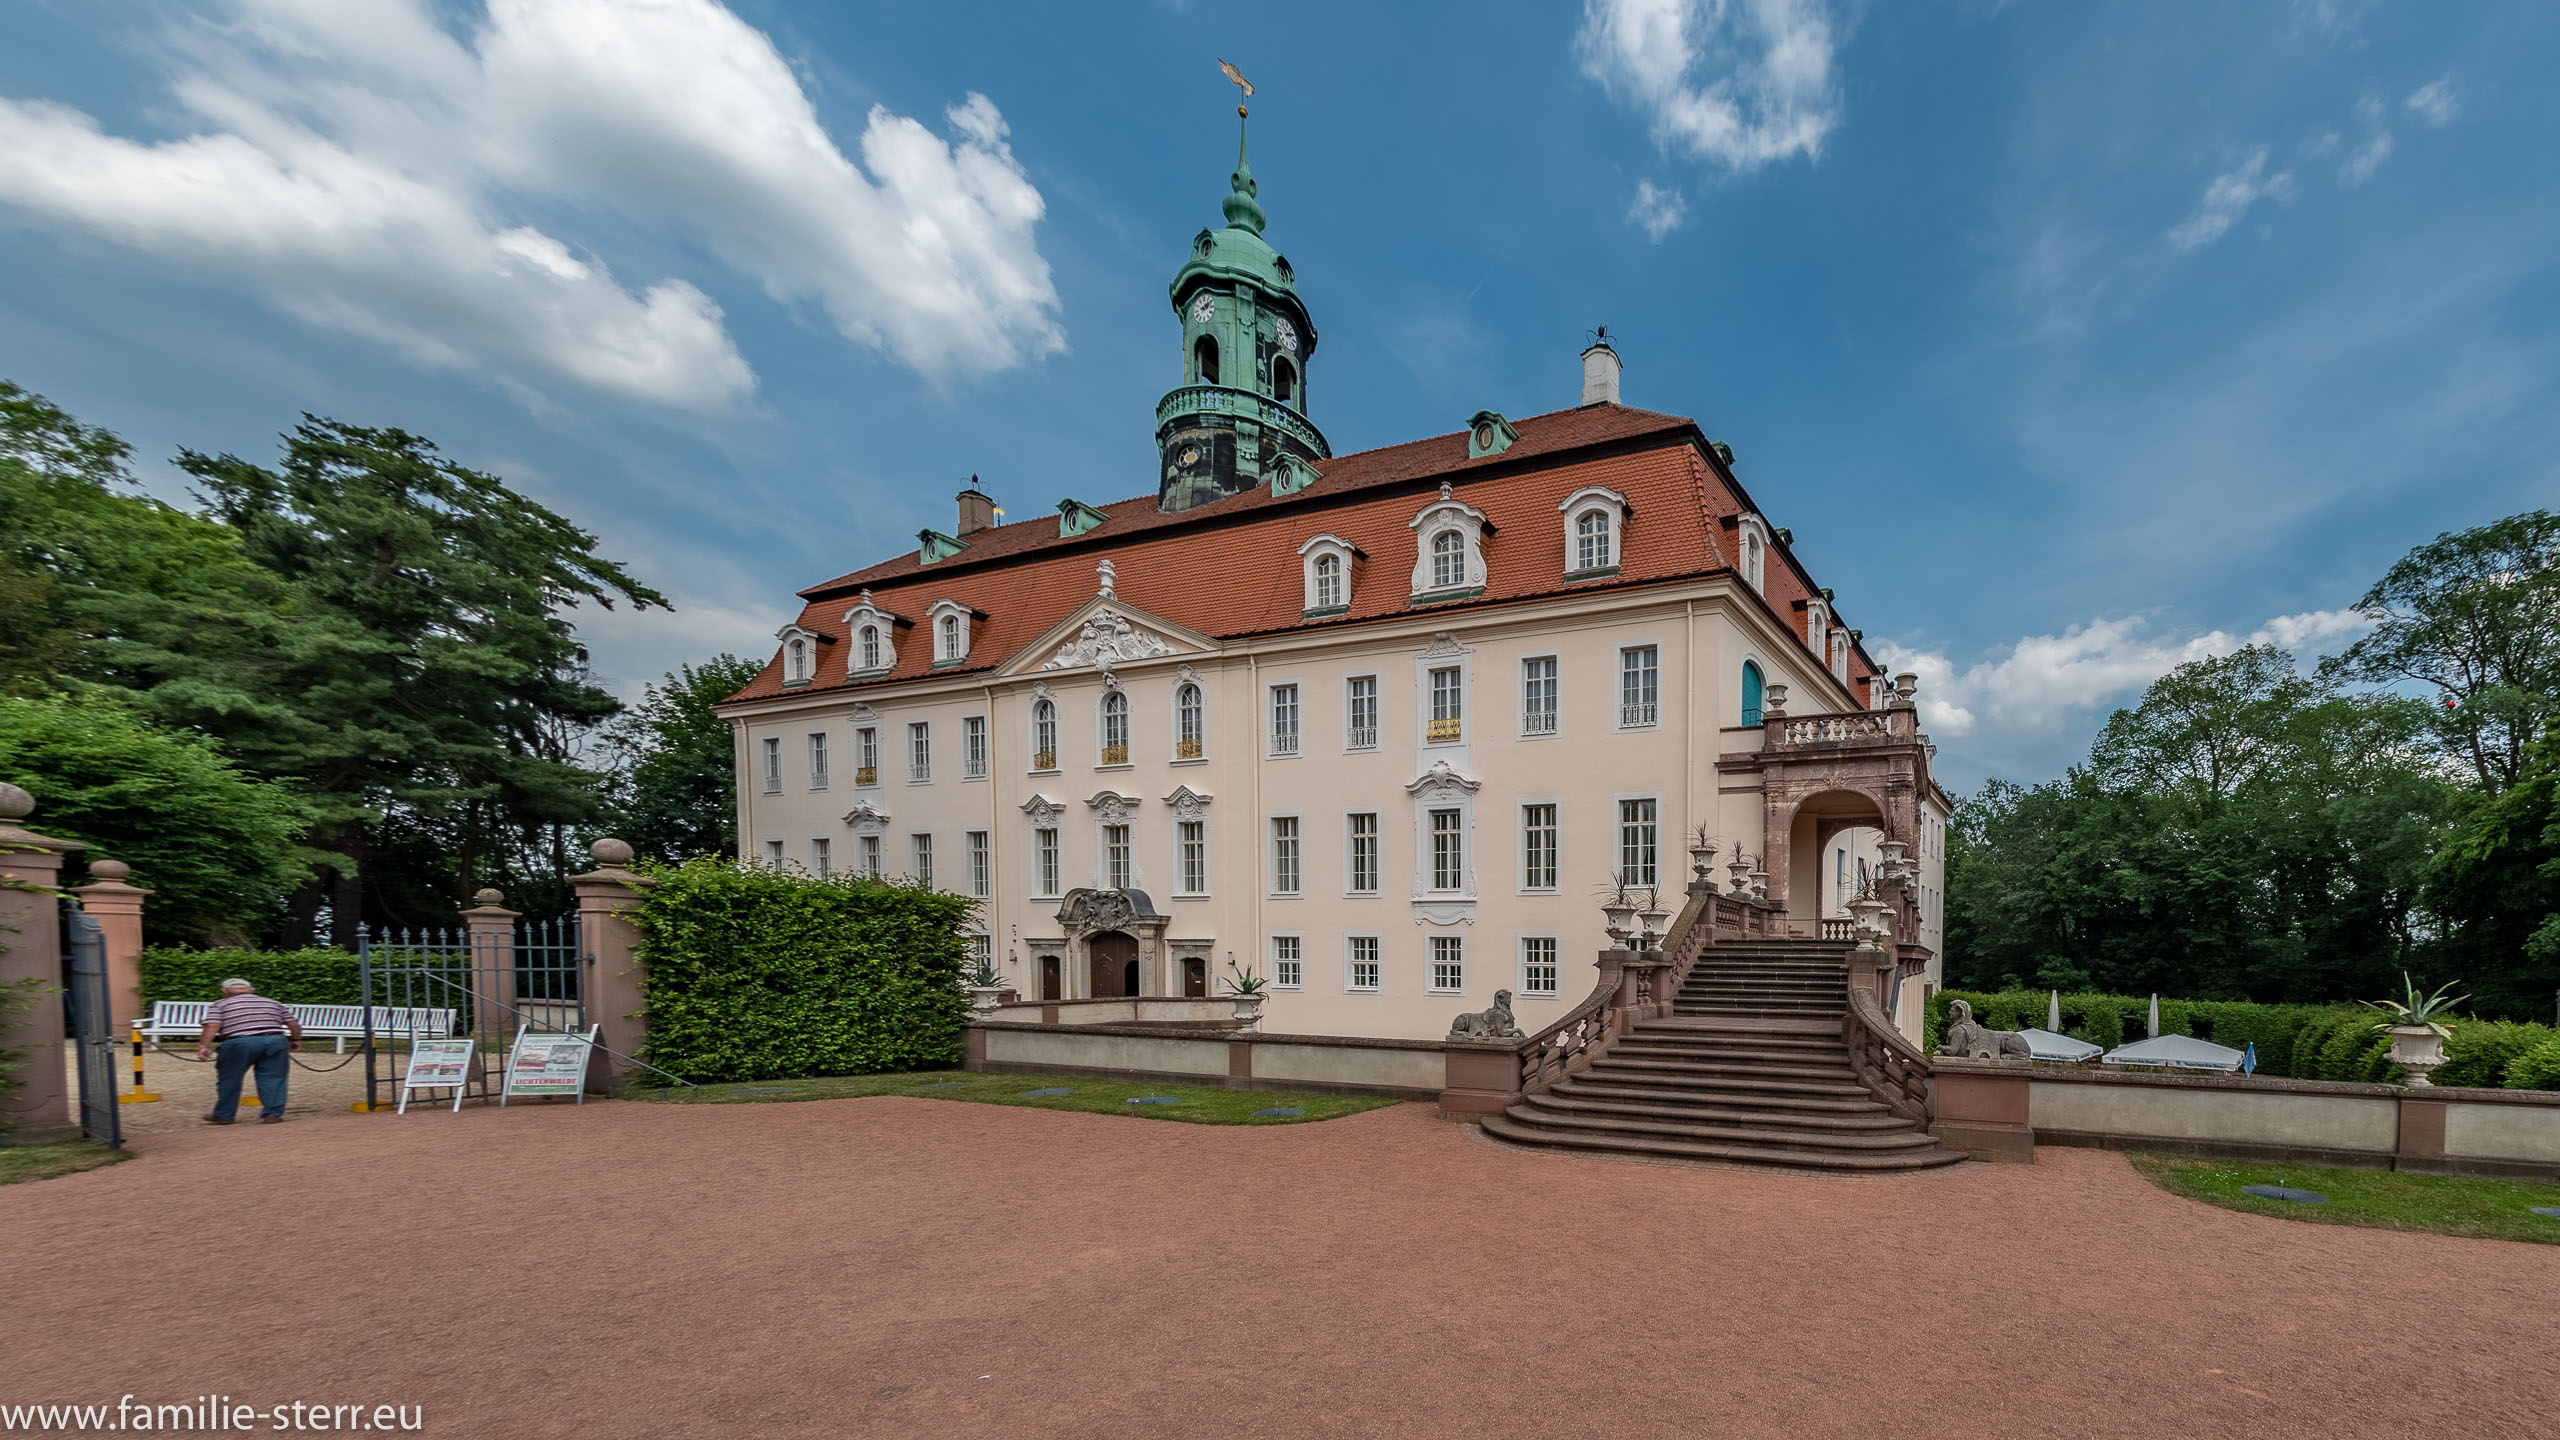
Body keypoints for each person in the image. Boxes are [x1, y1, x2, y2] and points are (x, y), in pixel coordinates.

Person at [196, 978, 301, 1124]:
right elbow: (293, 1023)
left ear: (225, 991)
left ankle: (224, 1115)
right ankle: (273, 1114)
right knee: (273, 1078)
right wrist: (295, 1039)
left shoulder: (221, 1004)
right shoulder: (272, 1002)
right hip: (275, 1041)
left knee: (230, 1078)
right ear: (252, 990)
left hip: (239, 1042)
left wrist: (204, 1047)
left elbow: (212, 1025)